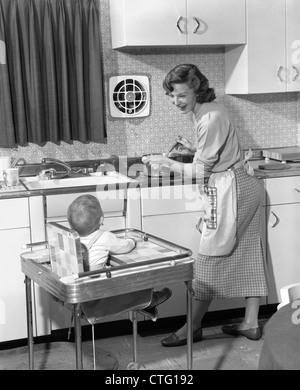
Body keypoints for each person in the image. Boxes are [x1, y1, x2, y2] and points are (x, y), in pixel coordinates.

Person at [144, 64, 269, 347]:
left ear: (197, 89)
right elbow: (216, 153)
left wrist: (167, 161)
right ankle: (250, 322)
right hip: (240, 186)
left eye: (181, 96)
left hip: (232, 191)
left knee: (209, 259)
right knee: (249, 251)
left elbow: (201, 171)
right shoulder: (208, 110)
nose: (176, 102)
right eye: (171, 95)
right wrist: (193, 149)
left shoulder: (209, 117)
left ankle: (192, 327)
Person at [67, 194, 172, 316]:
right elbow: (124, 247)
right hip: (96, 296)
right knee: (130, 275)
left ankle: (145, 300)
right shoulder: (104, 237)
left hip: (78, 295)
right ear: (101, 219)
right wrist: (132, 241)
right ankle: (148, 299)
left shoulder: (72, 239)